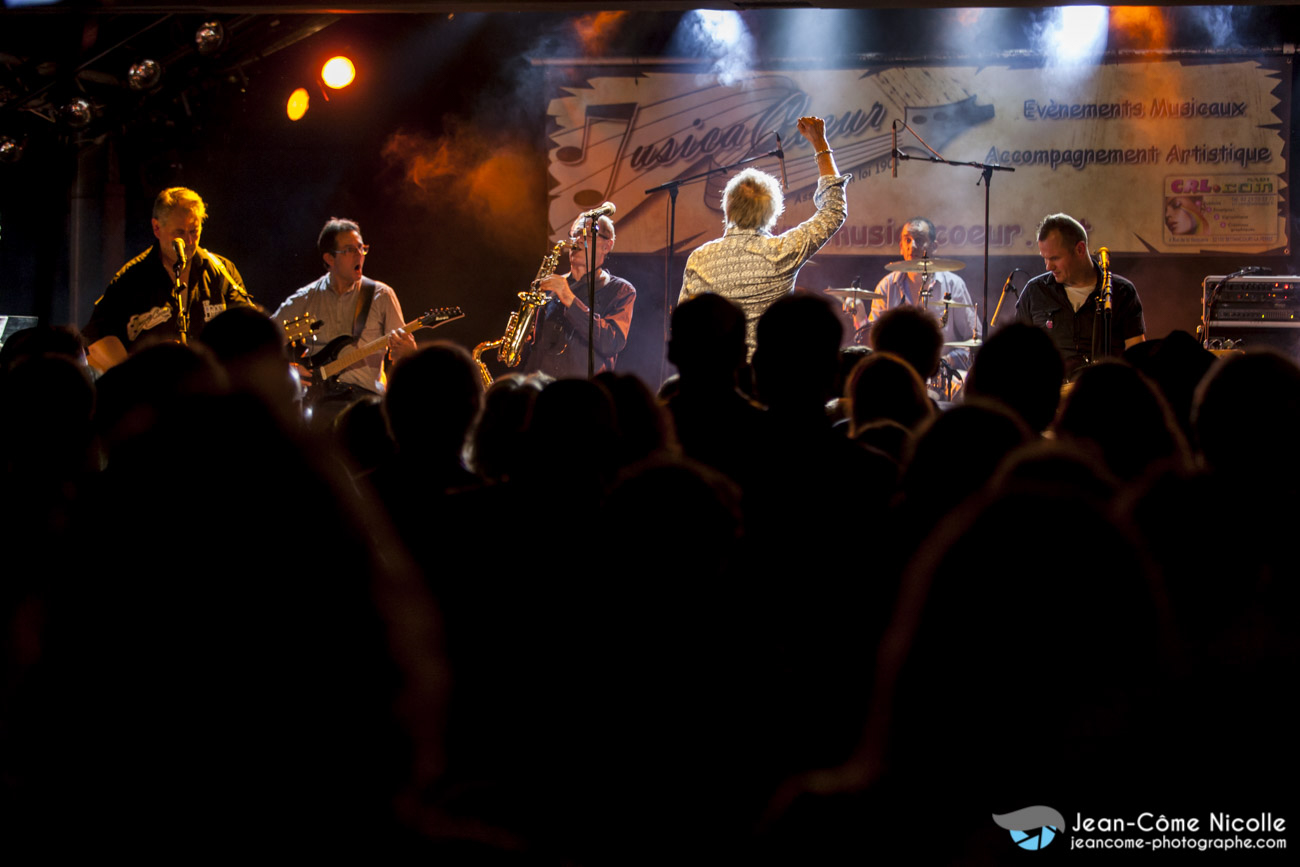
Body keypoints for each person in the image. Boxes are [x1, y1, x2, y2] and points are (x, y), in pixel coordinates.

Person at [679, 116, 849, 359]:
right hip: (767, 383)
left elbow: (685, 327)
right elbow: (833, 210)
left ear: (727, 208)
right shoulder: (781, 251)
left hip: (713, 383)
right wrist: (821, 144)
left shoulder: (699, 259)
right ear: (773, 212)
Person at [84, 187, 255, 372]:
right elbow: (94, 340)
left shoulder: (222, 271)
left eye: (194, 231)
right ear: (157, 228)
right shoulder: (131, 280)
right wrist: (135, 373)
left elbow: (250, 331)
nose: (189, 242)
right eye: (180, 233)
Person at [274, 218, 417, 400]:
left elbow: (404, 358)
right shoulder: (305, 298)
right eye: (350, 250)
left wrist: (408, 353)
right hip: (320, 401)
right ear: (329, 258)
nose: (359, 254)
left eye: (361, 248)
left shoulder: (382, 295)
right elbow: (259, 342)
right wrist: (286, 369)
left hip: (366, 402)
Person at [1016, 213, 1145, 376]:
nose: (1048, 266)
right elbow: (1018, 352)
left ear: (1080, 249)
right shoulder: (1035, 291)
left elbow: (1138, 356)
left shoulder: (1121, 291)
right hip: (1051, 396)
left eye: (1055, 258)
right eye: (1045, 258)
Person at [847, 217, 982, 370]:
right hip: (897, 374)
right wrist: (860, 318)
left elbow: (974, 340)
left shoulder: (953, 284)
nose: (913, 246)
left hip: (941, 374)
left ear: (934, 246)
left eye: (919, 240)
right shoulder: (886, 285)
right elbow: (873, 343)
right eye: (907, 240)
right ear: (901, 247)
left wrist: (946, 361)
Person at [524, 213, 635, 379]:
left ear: (607, 246)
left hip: (584, 394)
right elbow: (536, 346)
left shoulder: (620, 290)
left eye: (586, 235)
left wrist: (570, 300)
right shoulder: (551, 286)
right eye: (574, 234)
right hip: (542, 390)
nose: (576, 240)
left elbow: (611, 342)